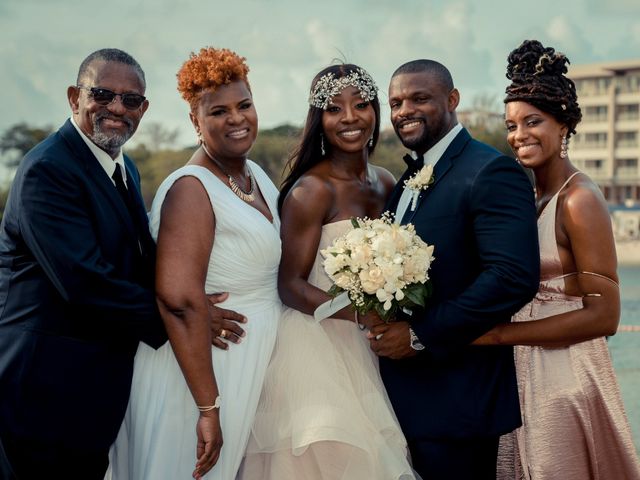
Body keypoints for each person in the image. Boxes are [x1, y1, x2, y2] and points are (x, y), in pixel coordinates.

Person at [108, 47, 282, 480]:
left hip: (247, 363)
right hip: (199, 375)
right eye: (218, 111)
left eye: (244, 105)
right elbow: (180, 300)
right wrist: (208, 407)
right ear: (195, 122)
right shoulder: (191, 188)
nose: (236, 119)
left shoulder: (254, 174)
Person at [473, 39, 640, 480]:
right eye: (511, 125)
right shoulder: (529, 198)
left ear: (563, 125)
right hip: (524, 369)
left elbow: (604, 316)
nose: (518, 135)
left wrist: (498, 336)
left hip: (565, 377)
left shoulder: (579, 200)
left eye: (533, 121)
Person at [239, 64, 417, 480]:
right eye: (335, 109)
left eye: (360, 105)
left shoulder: (387, 182)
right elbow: (290, 286)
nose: (350, 118)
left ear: (375, 111)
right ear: (319, 119)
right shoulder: (311, 190)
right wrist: (361, 312)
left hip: (369, 348)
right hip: (316, 347)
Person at [368, 59, 541, 479]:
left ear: (452, 100)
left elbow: (512, 277)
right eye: (395, 102)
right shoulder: (407, 180)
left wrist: (420, 335)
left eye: (419, 98)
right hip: (403, 399)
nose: (404, 110)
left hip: (459, 402)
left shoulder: (490, 170)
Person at [0, 48, 167, 479]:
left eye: (131, 100)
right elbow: (85, 281)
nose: (116, 108)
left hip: (92, 391)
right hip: (40, 390)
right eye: (103, 94)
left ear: (143, 109)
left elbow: (135, 261)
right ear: (75, 96)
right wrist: (181, 319)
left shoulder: (123, 165)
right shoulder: (47, 169)